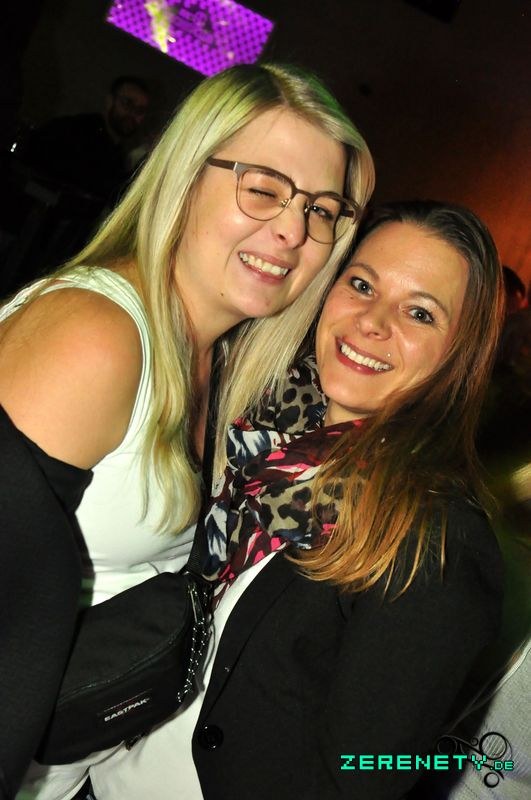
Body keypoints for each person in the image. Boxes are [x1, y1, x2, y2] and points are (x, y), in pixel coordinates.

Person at [0, 62, 374, 799]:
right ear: (184, 174)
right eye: (263, 188)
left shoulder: (220, 363)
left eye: (323, 209)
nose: (293, 229)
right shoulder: (96, 337)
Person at [88, 201, 505, 799]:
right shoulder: (262, 426)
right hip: (102, 773)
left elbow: (364, 776)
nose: (372, 321)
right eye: (362, 285)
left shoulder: (437, 540)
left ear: (460, 356)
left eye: (419, 313)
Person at [16, 76, 150, 203]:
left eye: (140, 110)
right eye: (127, 103)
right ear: (110, 101)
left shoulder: (118, 155)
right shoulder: (72, 130)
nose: (132, 114)